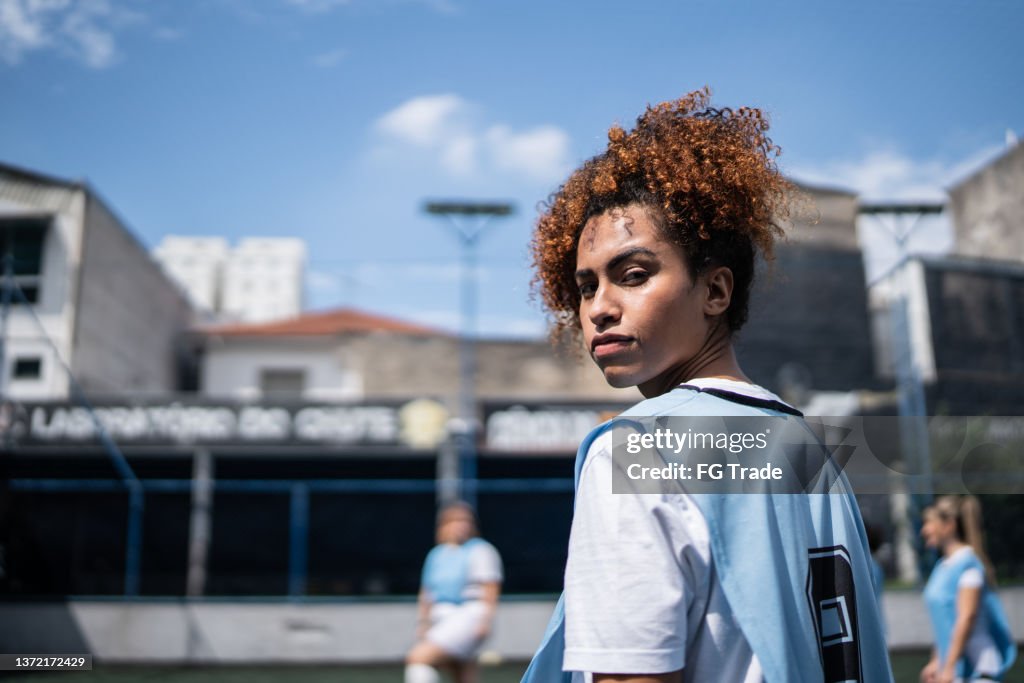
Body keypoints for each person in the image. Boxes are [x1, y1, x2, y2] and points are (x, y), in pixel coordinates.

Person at [521, 88, 892, 682]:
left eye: (633, 275)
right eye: (586, 287)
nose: (599, 308)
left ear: (716, 291)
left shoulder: (638, 450)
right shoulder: (813, 451)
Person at [920, 495, 1016, 683]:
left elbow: (966, 618)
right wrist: (936, 661)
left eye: (929, 523)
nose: (924, 530)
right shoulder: (942, 566)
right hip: (956, 671)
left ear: (949, 525)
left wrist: (948, 667)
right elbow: (945, 623)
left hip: (979, 672)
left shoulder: (969, 565)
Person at [405, 501, 503, 683]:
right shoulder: (437, 554)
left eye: (466, 520)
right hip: (441, 615)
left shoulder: (481, 550)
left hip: (469, 614)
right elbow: (426, 593)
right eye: (455, 520)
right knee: (461, 672)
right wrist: (424, 622)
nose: (461, 525)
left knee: (418, 657)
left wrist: (486, 621)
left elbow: (490, 587)